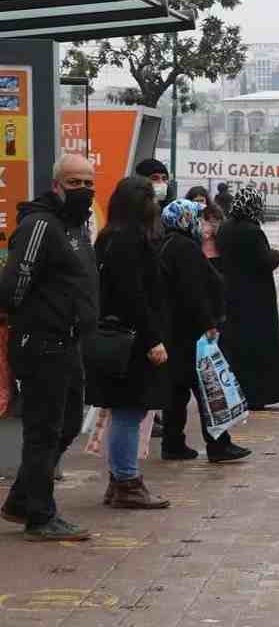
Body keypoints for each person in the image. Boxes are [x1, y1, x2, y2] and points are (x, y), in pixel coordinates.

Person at [0, 155, 99, 540]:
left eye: (88, 183)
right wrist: (36, 319)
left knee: (70, 422)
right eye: (75, 183)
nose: (83, 190)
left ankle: (22, 499)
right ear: (57, 184)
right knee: (44, 430)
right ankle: (40, 516)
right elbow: (13, 287)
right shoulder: (39, 225)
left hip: (68, 342)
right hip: (42, 343)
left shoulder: (75, 226)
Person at [87, 176, 171, 510]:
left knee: (124, 409)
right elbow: (134, 296)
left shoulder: (108, 238)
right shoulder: (130, 242)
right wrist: (153, 339)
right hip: (131, 341)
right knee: (129, 410)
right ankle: (126, 482)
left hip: (115, 337)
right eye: (151, 198)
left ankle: (119, 480)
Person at [158, 200, 252, 463]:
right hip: (191, 331)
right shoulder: (185, 248)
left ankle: (173, 442)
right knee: (208, 389)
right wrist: (208, 323)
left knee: (178, 390)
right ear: (185, 219)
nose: (203, 225)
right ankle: (218, 445)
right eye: (198, 218)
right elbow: (194, 291)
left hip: (173, 330)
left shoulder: (166, 244)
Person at [217, 187, 279, 409]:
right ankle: (257, 394)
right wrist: (276, 254)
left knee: (235, 346)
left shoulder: (225, 228)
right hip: (255, 297)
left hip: (231, 294)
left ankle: (235, 393)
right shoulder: (252, 231)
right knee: (257, 346)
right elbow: (265, 261)